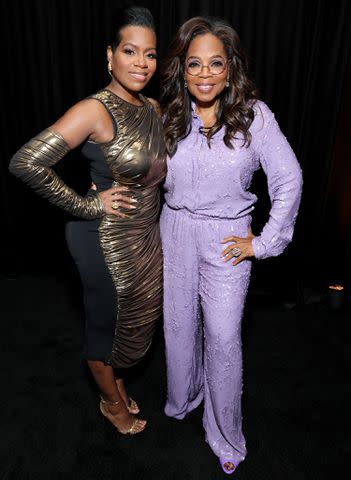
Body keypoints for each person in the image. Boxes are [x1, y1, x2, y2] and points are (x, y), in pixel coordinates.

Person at [9, 6, 166, 435]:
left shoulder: (152, 107)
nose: (141, 63)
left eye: (150, 54)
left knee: (131, 320)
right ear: (110, 55)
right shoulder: (95, 110)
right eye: (130, 51)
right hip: (104, 240)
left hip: (144, 237)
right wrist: (87, 205)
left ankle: (116, 382)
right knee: (104, 325)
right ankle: (112, 405)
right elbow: (26, 162)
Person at [159, 16, 303, 474]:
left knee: (222, 339)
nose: (204, 74)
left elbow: (289, 178)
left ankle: (225, 434)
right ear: (182, 69)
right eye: (194, 63)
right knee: (179, 327)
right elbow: (143, 175)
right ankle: (184, 398)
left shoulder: (254, 116)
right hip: (175, 231)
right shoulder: (167, 115)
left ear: (230, 68)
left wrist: (262, 243)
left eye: (214, 63)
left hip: (226, 240)